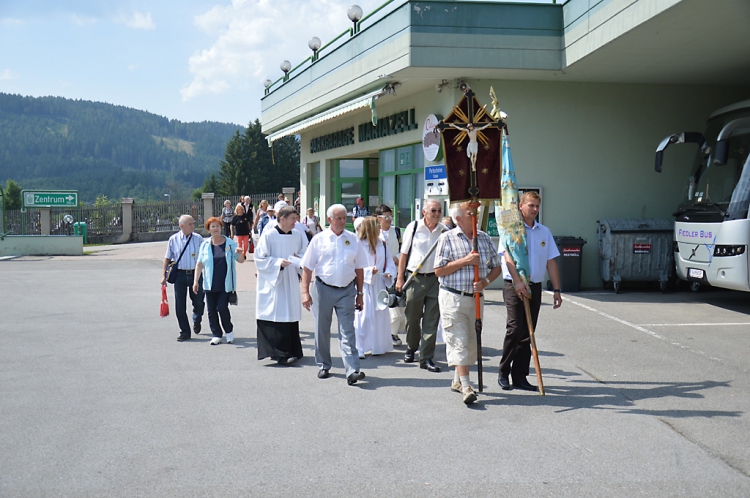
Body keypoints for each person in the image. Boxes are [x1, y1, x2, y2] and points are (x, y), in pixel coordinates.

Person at [434, 203, 503, 404]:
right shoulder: (447, 238)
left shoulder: (483, 238)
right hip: (453, 297)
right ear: (458, 218)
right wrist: (465, 261)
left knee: (472, 341)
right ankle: (466, 386)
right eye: (470, 213)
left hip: (476, 299)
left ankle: (457, 379)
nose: (476, 215)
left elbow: (496, 267)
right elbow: (439, 270)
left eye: (476, 212)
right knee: (458, 341)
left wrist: (485, 282)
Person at [498, 191, 562, 392]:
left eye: (537, 206)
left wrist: (557, 289)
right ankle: (503, 371)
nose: (534, 209)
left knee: (528, 332)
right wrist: (517, 281)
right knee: (515, 329)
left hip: (534, 285)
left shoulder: (544, 232)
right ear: (521, 206)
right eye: (530, 205)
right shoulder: (512, 230)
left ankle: (520, 376)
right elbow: (507, 258)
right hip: (514, 285)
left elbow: (550, 261)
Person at [301, 204, 368, 385]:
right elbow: (307, 267)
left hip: (347, 290)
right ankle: (324, 364)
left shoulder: (353, 239)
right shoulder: (319, 239)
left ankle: (352, 370)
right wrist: (305, 293)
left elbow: (359, 268)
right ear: (329, 219)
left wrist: (360, 294)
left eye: (344, 218)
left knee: (347, 330)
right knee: (322, 329)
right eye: (338, 218)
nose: (341, 221)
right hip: (323, 289)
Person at [395, 199, 448, 372]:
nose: (437, 214)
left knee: (431, 321)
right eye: (433, 210)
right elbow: (403, 254)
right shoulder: (414, 227)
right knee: (412, 317)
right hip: (415, 277)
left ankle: (426, 358)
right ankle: (411, 347)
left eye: (439, 210)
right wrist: (400, 278)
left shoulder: (444, 231)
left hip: (435, 279)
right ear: (424, 211)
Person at [255, 206, 309, 364]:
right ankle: (279, 353)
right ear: (282, 219)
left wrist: (298, 258)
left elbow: (305, 253)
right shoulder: (269, 235)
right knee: (276, 312)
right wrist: (278, 262)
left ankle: (293, 350)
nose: (295, 222)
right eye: (292, 218)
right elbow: (260, 258)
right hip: (274, 281)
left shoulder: (298, 235)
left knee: (290, 312)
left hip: (291, 278)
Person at [193, 217, 245, 345]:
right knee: (211, 310)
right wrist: (195, 281)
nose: (216, 228)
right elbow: (199, 264)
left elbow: (241, 260)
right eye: (213, 226)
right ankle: (216, 334)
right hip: (209, 283)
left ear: (221, 228)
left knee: (222, 307)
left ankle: (229, 331)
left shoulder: (229, 243)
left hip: (225, 283)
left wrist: (240, 253)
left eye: (218, 226)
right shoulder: (205, 245)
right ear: (209, 229)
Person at [354, 217, 397, 357]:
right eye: (377, 226)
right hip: (364, 284)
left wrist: (389, 272)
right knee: (363, 316)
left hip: (379, 283)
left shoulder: (382, 244)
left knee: (379, 315)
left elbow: (389, 262)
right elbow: (353, 265)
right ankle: (360, 347)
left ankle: (378, 346)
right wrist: (367, 271)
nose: (380, 228)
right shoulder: (358, 244)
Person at [160, 215, 205, 342]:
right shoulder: (173, 239)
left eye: (193, 223)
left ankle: (197, 319)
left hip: (195, 274)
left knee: (198, 302)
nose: (193, 226)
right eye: (190, 224)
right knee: (180, 305)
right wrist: (163, 275)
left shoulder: (198, 239)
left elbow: (204, 256)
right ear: (182, 226)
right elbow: (167, 258)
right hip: (180, 274)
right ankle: (185, 331)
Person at [374, 204, 404, 347]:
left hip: (394, 273)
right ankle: (379, 334)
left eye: (391, 217)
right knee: (378, 305)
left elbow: (405, 249)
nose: (389, 220)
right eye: (386, 217)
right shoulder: (373, 233)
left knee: (394, 304)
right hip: (378, 275)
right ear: (378, 218)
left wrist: (397, 257)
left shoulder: (397, 232)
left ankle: (393, 333)